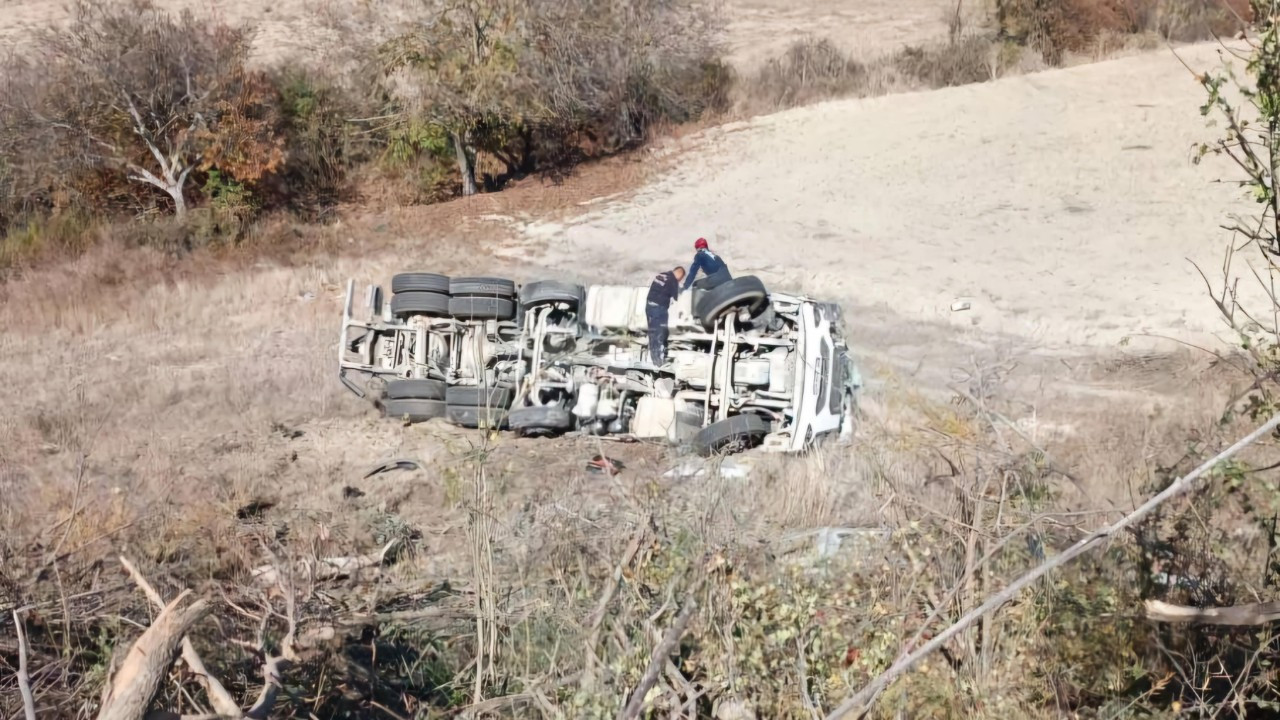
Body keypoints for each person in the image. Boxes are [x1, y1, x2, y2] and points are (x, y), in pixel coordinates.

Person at [646, 265, 686, 367]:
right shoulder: (673, 280)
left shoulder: (661, 275)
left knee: (653, 333)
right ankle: (660, 362)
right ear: (679, 274)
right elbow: (676, 297)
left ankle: (655, 360)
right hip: (659, 308)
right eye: (681, 277)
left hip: (649, 306)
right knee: (660, 333)